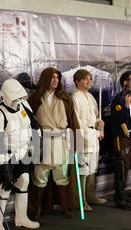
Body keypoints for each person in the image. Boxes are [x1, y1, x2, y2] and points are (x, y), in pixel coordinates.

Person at [0, 79, 40, 230]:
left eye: (20, 98)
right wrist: (3, 166)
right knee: (4, 188)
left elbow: (34, 125)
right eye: (15, 98)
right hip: (8, 154)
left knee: (24, 181)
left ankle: (21, 217)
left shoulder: (23, 105)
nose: (18, 102)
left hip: (24, 150)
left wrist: (35, 146)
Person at [27, 67, 79, 219]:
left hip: (60, 141)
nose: (55, 80)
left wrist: (76, 145)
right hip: (41, 141)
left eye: (57, 77)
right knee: (39, 176)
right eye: (52, 77)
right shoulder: (35, 99)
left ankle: (65, 207)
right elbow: (28, 124)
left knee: (61, 176)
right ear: (45, 79)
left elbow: (73, 122)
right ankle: (37, 209)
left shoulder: (65, 98)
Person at [70, 69, 107, 211]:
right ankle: (80, 200)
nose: (88, 81)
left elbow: (95, 116)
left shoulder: (90, 96)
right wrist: (92, 133)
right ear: (77, 81)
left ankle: (91, 196)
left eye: (90, 79)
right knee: (82, 170)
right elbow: (77, 122)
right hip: (82, 137)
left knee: (92, 168)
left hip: (93, 135)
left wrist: (99, 125)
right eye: (85, 79)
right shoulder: (75, 98)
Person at [110, 71, 131, 210]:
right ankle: (119, 198)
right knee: (121, 167)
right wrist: (126, 107)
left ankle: (122, 194)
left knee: (127, 167)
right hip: (121, 138)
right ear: (125, 82)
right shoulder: (119, 100)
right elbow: (117, 120)